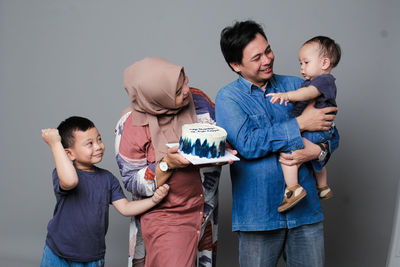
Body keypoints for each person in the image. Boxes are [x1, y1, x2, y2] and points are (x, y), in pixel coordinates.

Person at [215, 20, 340, 267]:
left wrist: (317, 151)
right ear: (236, 65)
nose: (267, 59)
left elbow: (331, 133)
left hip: (306, 214)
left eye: (268, 50)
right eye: (257, 57)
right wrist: (300, 124)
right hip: (258, 216)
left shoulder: (298, 86)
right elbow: (248, 144)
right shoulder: (228, 98)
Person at [115, 57, 231, 267]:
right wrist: (167, 164)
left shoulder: (199, 100)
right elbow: (132, 182)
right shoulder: (131, 125)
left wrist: (221, 152)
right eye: (177, 92)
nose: (186, 90)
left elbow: (219, 135)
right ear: (155, 98)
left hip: (203, 210)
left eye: (184, 81)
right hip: (165, 216)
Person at [40, 116, 169, 267]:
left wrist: (153, 200)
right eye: (89, 143)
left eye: (99, 140)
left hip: (92, 255)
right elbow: (70, 181)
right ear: (69, 154)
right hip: (57, 252)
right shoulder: (62, 173)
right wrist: (55, 143)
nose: (98, 146)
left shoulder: (107, 179)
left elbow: (126, 208)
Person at [266, 36, 341, 212]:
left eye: (306, 62)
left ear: (324, 63)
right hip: (321, 132)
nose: (302, 68)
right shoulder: (314, 81)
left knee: (289, 157)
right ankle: (323, 187)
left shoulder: (323, 81)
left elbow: (307, 93)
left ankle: (293, 188)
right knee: (316, 159)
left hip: (317, 131)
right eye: (300, 63)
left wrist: (287, 96)